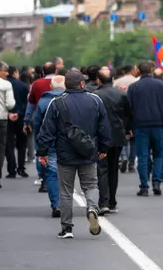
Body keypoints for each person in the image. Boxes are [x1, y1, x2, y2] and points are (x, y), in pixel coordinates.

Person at [37, 69, 111, 239]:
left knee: (66, 191)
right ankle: (92, 207)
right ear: (82, 83)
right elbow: (104, 127)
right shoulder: (95, 100)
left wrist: (43, 151)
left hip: (65, 153)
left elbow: (47, 130)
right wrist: (103, 149)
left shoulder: (56, 103)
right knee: (91, 185)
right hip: (88, 151)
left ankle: (67, 228)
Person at [127, 61, 163, 197]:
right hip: (159, 125)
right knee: (159, 155)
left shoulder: (133, 87)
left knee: (142, 156)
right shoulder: (162, 85)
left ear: (139, 70)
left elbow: (129, 109)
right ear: (152, 70)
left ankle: (144, 185)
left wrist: (129, 127)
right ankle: (157, 182)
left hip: (140, 125)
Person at [95, 67, 132, 211]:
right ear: (112, 80)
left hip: (99, 136)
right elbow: (128, 115)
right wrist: (127, 130)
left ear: (98, 80)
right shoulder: (121, 95)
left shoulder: (95, 95)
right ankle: (112, 201)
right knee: (113, 168)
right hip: (117, 134)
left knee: (101, 169)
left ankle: (103, 201)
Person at [34, 76, 66, 217]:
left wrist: (40, 141)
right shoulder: (70, 99)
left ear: (52, 87)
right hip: (68, 141)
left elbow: (38, 123)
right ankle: (68, 202)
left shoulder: (43, 101)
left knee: (52, 172)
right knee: (70, 172)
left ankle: (56, 204)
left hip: (50, 140)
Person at [5, 66, 29, 179]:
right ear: (15, 73)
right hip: (21, 116)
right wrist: (19, 113)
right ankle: (21, 168)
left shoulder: (3, 85)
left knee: (8, 143)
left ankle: (11, 169)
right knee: (22, 144)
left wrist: (9, 113)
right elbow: (26, 103)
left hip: (6, 116)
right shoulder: (23, 86)